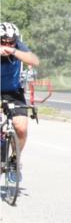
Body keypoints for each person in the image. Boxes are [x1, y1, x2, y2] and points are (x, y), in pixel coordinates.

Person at [0, 22, 41, 170]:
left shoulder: (17, 46)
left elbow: (35, 61)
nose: (7, 45)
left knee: (21, 127)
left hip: (13, 92)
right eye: (3, 42)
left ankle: (14, 159)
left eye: (11, 42)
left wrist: (13, 51)